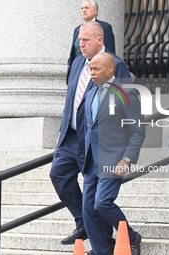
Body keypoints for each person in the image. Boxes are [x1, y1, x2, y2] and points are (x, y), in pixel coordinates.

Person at [49, 21, 131, 246]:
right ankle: (83, 223)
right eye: (79, 40)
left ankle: (103, 241)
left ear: (100, 40)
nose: (80, 44)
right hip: (70, 137)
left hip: (95, 140)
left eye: (85, 40)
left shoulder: (116, 65)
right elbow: (71, 98)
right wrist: (62, 130)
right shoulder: (77, 63)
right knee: (59, 175)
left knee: (96, 197)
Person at [82, 52, 145, 255]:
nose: (92, 72)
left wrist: (126, 159)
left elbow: (138, 130)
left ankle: (131, 236)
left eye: (96, 68)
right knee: (88, 209)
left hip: (113, 159)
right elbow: (87, 128)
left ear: (110, 70)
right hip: (91, 160)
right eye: (91, 68)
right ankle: (104, 250)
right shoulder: (90, 93)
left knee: (102, 203)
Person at [66, 0, 115, 84]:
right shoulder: (77, 29)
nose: (83, 10)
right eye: (82, 8)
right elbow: (74, 52)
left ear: (95, 11)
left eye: (86, 8)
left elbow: (109, 52)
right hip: (79, 70)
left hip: (96, 73)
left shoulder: (105, 27)